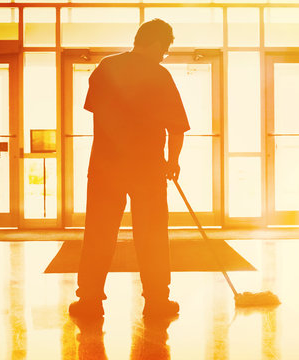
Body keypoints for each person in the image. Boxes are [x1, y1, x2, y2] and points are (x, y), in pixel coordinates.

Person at [69, 18, 190, 318]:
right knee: (152, 234)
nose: (164, 55)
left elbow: (96, 109)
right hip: (147, 167)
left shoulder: (106, 68)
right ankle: (157, 301)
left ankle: (89, 301)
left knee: (98, 232)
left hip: (105, 165)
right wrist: (173, 162)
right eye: (165, 48)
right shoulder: (161, 76)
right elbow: (176, 128)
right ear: (155, 42)